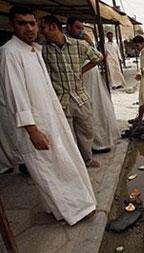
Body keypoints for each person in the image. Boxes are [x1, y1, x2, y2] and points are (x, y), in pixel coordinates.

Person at [0, 6, 96, 225]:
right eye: (22, 23)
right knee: (49, 169)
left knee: (61, 163)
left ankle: (64, 208)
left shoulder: (34, 50)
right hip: (35, 125)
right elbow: (15, 95)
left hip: (51, 118)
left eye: (32, 23)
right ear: (11, 25)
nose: (29, 28)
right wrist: (32, 130)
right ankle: (75, 210)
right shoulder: (10, 52)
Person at [40, 15, 102, 168]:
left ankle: (87, 159)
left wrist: (82, 70)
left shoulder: (78, 45)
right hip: (60, 100)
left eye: (43, 28)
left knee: (86, 132)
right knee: (67, 136)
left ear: (53, 27)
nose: (40, 32)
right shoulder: (43, 50)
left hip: (80, 97)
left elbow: (99, 57)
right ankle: (74, 164)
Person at [66, 17, 119, 153]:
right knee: (85, 112)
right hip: (80, 82)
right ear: (69, 27)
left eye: (82, 28)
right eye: (78, 27)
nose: (81, 31)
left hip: (92, 79)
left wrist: (90, 43)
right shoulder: (66, 43)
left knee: (98, 108)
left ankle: (101, 142)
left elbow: (98, 58)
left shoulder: (85, 41)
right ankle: (89, 146)